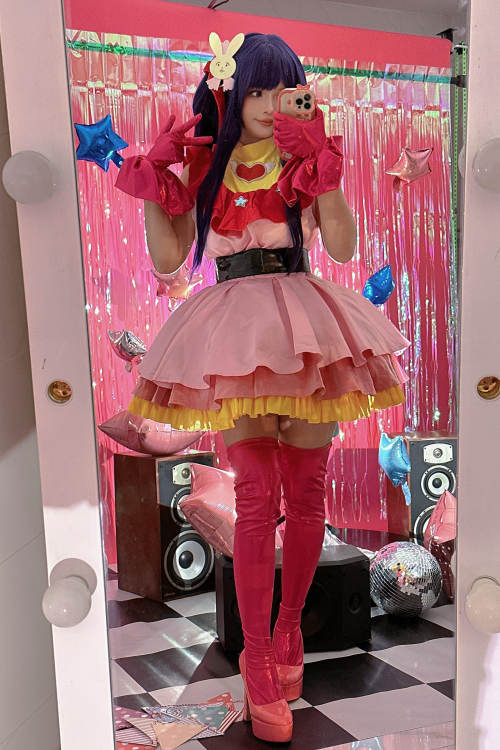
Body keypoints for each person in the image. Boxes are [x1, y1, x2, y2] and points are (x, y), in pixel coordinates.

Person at [115, 31, 409, 743]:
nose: (271, 102)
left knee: (308, 494)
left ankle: (288, 631)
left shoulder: (303, 157)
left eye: (284, 88)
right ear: (229, 93)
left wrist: (322, 166)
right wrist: (158, 177)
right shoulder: (206, 167)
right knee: (255, 497)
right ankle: (255, 660)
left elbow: (342, 246)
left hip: (304, 325)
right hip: (234, 333)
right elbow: (167, 256)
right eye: (256, 89)